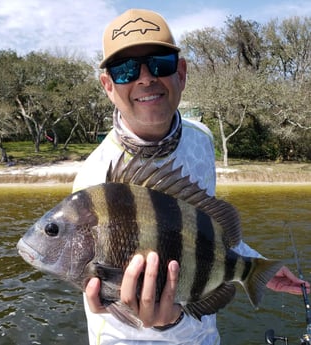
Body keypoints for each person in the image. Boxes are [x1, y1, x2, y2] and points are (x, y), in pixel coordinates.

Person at [72, 8, 310, 345]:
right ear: (108, 85)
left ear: (181, 73)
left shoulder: (201, 138)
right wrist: (164, 323)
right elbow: (107, 299)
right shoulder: (93, 184)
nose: (145, 78)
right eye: (126, 70)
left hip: (205, 337)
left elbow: (200, 232)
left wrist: (254, 267)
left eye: (160, 64)